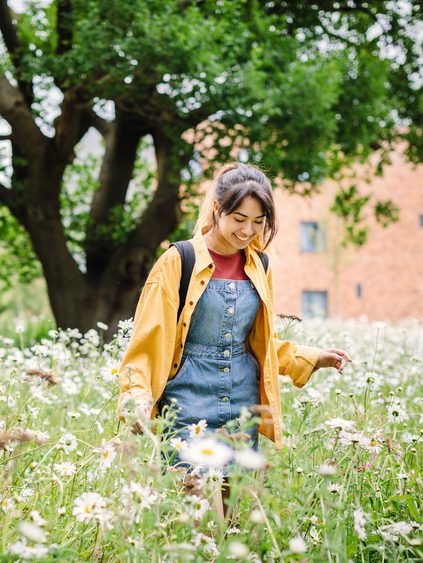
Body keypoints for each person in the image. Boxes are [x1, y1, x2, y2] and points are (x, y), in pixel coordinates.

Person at [117, 162, 351, 515]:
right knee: (196, 518)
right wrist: (135, 395)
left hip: (243, 405)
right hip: (186, 404)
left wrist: (310, 357)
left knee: (237, 519)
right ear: (217, 209)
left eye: (259, 222)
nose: (248, 230)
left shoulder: (260, 265)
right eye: (240, 219)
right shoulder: (178, 260)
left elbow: (258, 343)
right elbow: (149, 339)